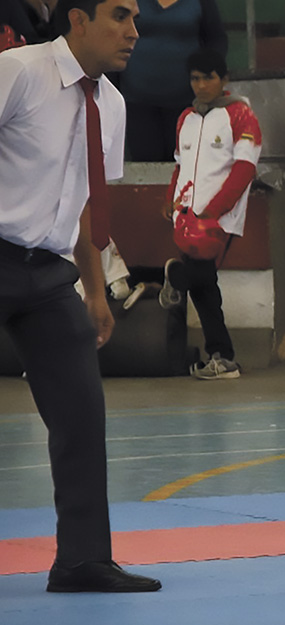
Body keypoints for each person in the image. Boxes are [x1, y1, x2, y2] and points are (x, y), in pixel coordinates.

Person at [0, 0, 160, 592]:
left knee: (81, 414)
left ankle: (81, 560)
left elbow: (91, 200)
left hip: (48, 275)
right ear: (78, 19)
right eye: (120, 16)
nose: (134, 33)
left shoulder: (110, 105)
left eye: (137, 20)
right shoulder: (19, 72)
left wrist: (94, 289)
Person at [163, 47, 261, 380]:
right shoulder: (185, 119)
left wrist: (215, 210)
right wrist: (171, 200)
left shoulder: (241, 115)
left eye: (209, 77)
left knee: (199, 276)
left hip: (219, 216)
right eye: (195, 78)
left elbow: (245, 168)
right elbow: (180, 166)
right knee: (206, 287)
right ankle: (221, 357)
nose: (201, 85)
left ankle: (170, 278)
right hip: (186, 215)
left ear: (224, 79)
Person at [118, 0, 225, 161]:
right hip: (135, 100)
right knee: (145, 166)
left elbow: (217, 40)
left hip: (187, 102)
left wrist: (207, 71)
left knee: (185, 164)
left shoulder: (201, 3)